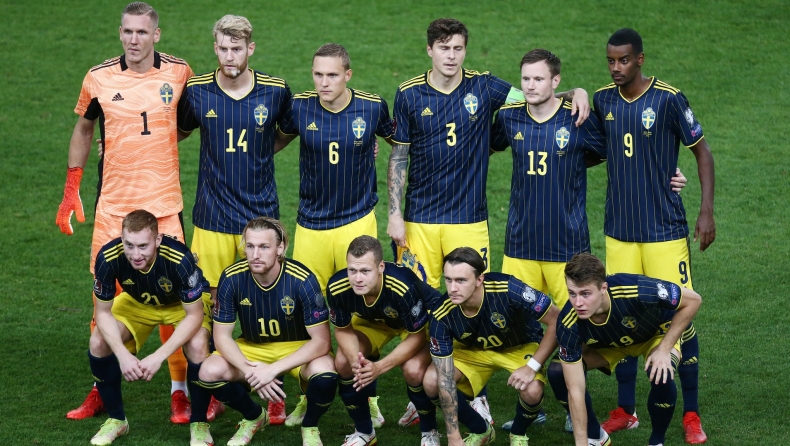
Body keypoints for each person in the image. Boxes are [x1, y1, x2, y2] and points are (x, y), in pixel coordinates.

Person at [491, 49, 687, 434]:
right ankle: (532, 404)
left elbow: (622, 151)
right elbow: (484, 143)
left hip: (566, 249)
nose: (530, 85)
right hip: (519, 246)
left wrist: (668, 169)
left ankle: (573, 406)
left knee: (572, 331)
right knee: (524, 329)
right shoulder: (510, 116)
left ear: (555, 81)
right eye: (526, 78)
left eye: (539, 79)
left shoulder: (578, 118)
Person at [56, 1, 197, 424]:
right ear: (120, 33)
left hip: (164, 206)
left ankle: (180, 391)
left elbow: (187, 122)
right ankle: (102, 389)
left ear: (156, 34)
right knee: (104, 298)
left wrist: (156, 141)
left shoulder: (179, 72)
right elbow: (84, 128)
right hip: (113, 208)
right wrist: (71, 188)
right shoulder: (98, 77)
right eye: (127, 32)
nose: (134, 40)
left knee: (175, 298)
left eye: (142, 32)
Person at [387, 18, 590, 290]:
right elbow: (399, 155)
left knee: (473, 296)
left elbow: (534, 98)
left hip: (469, 218)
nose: (451, 56)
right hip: (419, 217)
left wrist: (576, 92)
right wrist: (394, 215)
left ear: (465, 50)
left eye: (458, 48)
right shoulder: (409, 93)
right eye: (444, 48)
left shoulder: (484, 86)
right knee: (416, 294)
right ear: (429, 50)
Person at [593, 28, 715, 444]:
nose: (616, 67)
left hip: (664, 231)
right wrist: (576, 92)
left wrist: (705, 211)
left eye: (623, 60)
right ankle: (625, 410)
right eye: (611, 60)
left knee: (680, 311)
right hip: (619, 232)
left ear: (640, 59)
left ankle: (691, 414)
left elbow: (702, 152)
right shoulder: (603, 100)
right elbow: (588, 145)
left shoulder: (668, 99)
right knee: (622, 315)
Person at [176, 13, 293, 424]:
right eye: (223, 48)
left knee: (270, 304)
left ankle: (275, 390)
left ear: (250, 49)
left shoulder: (275, 91)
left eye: (237, 49)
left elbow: (288, 132)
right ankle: (214, 391)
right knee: (208, 309)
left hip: (259, 220)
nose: (230, 56)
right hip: (210, 219)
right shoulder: (197, 91)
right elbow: (176, 132)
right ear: (215, 48)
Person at [186, 217, 337, 446]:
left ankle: (310, 426)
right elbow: (221, 336)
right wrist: (250, 371)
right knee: (208, 371)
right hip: (253, 347)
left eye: (264, 247)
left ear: (280, 248)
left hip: (297, 347)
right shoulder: (232, 277)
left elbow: (322, 342)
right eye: (250, 246)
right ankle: (254, 416)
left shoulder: (302, 279)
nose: (255, 254)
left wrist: (272, 370)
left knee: (325, 373)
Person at [86, 210, 212, 445]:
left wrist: (158, 356)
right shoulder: (108, 257)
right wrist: (123, 355)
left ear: (157, 239)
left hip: (182, 305)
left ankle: (199, 423)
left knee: (197, 345)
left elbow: (194, 315)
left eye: (143, 246)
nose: (135, 255)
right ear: (122, 239)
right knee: (98, 341)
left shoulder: (179, 258)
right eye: (129, 245)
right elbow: (102, 313)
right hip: (137, 302)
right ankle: (116, 420)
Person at [278, 43, 394, 294]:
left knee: (360, 298)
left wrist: (370, 142)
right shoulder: (299, 106)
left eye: (332, 75)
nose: (324, 83)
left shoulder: (372, 107)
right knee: (305, 300)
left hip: (357, 219)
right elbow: (272, 145)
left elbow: (400, 144)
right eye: (318, 75)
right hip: (311, 224)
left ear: (347, 75)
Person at [556, 252, 702, 446]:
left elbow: (694, 300)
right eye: (572, 293)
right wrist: (581, 443)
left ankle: (656, 441)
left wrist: (664, 349)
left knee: (661, 374)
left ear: (603, 288)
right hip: (614, 344)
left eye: (585, 294)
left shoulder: (637, 289)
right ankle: (596, 436)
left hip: (655, 335)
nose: (578, 303)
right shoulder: (568, 322)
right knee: (557, 371)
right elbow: (575, 389)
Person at [324, 235, 440, 446]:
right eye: (352, 270)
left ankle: (429, 430)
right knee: (343, 363)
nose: (357, 278)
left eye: (365, 271)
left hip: (412, 326)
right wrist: (355, 361)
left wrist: (379, 367)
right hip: (374, 322)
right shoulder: (337, 287)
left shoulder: (403, 286)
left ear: (381, 267)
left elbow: (416, 335)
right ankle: (364, 432)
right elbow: (342, 329)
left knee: (413, 370)